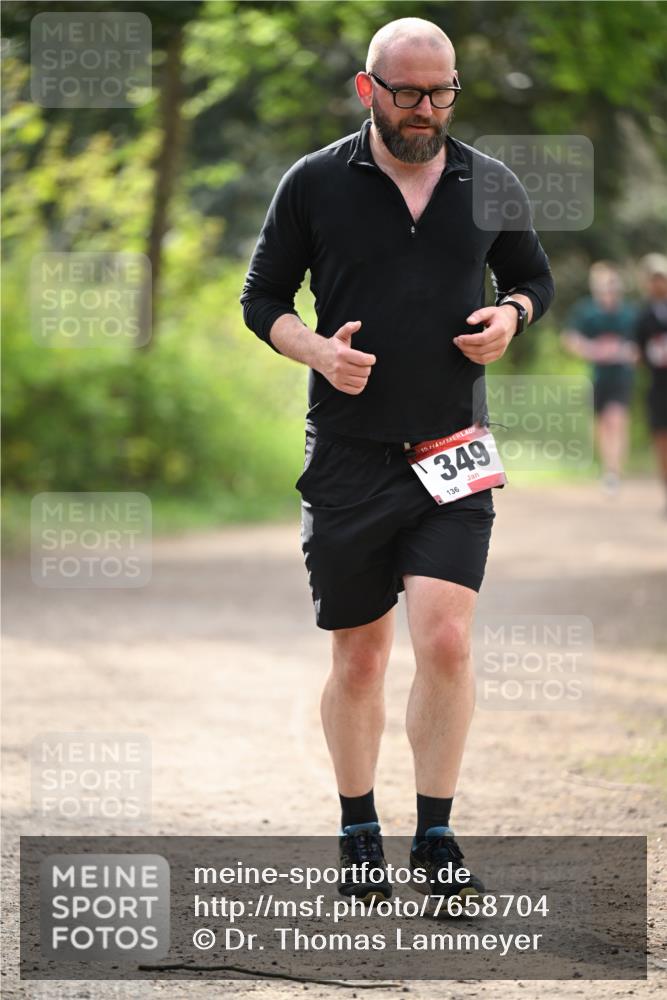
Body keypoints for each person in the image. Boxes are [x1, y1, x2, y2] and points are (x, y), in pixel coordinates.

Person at [241, 17, 554, 903]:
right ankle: (357, 831)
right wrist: (314, 351)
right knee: (361, 658)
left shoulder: (487, 183)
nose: (426, 110)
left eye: (441, 92)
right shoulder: (312, 183)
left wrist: (512, 317)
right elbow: (261, 297)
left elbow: (532, 276)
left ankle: (438, 835)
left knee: (446, 642)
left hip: (452, 450)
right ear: (366, 88)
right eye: (407, 93)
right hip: (346, 456)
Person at [561, 261, 639, 494]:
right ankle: (608, 468)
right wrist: (591, 349)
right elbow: (569, 338)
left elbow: (639, 346)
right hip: (597, 376)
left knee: (617, 419)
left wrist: (625, 352)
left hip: (621, 376)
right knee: (602, 423)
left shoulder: (629, 314)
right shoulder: (587, 312)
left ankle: (614, 470)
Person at [636, 253, 667, 513]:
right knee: (661, 441)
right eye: (654, 279)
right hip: (658, 387)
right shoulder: (643, 316)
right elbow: (638, 352)